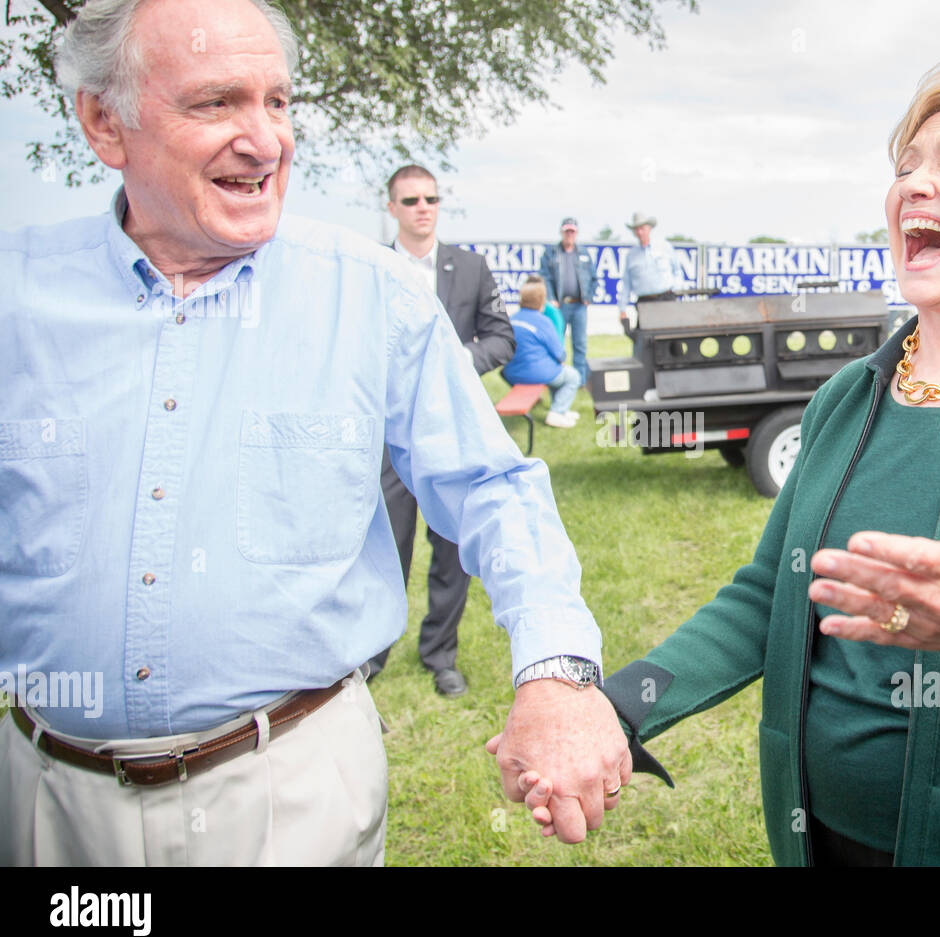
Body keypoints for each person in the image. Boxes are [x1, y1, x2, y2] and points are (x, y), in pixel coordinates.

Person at [0, 0, 629, 865]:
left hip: (289, 800)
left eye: (278, 102)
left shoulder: (372, 296)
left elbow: (491, 488)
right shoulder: (18, 298)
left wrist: (557, 673)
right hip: (45, 805)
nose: (265, 140)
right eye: (216, 103)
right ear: (106, 123)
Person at [525, 62, 940, 865]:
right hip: (821, 838)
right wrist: (617, 706)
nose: (913, 184)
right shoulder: (846, 396)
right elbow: (769, 593)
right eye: (905, 166)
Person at [365, 163, 514, 696]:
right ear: (392, 209)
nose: (422, 207)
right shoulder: (369, 267)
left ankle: (440, 653)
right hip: (386, 436)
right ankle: (370, 653)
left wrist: (453, 361)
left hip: (454, 432)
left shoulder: (471, 268)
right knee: (385, 545)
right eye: (410, 201)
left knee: (451, 546)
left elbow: (501, 339)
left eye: (430, 198)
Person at [502, 276, 583, 428]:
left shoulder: (512, 319)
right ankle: (557, 412)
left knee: (555, 372)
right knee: (572, 377)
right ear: (541, 301)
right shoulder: (543, 322)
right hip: (537, 374)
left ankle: (560, 409)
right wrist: (560, 360)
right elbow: (559, 353)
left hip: (512, 373)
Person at [539, 217, 598, 385]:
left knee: (580, 344)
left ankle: (580, 380)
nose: (569, 234)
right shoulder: (551, 253)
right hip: (559, 306)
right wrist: (551, 298)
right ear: (561, 232)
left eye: (572, 231)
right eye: (567, 231)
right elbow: (545, 277)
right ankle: (558, 379)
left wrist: (589, 297)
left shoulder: (583, 253)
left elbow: (593, 278)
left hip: (579, 305)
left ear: (576, 233)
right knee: (557, 343)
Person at [616, 212, 684, 328]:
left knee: (673, 340)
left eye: (642, 228)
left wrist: (676, 292)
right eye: (636, 229)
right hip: (644, 303)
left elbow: (677, 271)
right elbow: (626, 284)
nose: (640, 232)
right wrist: (622, 309)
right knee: (644, 342)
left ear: (649, 228)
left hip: (666, 299)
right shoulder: (631, 255)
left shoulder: (664, 247)